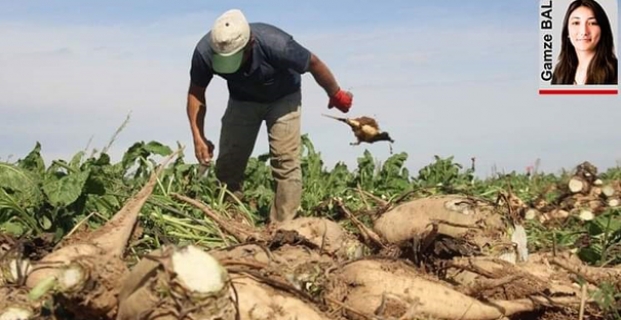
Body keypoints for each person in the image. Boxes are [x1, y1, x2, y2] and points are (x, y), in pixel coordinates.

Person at [185, 9, 353, 224]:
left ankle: (284, 226)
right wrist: (198, 136)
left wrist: (335, 93)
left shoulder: (277, 44)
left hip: (284, 98)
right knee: (229, 162)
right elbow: (196, 93)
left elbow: (314, 63)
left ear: (250, 44)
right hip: (242, 100)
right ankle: (231, 217)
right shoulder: (205, 51)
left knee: (285, 160)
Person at [551, 0, 618, 85]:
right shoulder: (559, 72)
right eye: (576, 23)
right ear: (567, 31)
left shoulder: (616, 72)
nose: (584, 32)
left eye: (592, 23)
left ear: (603, 30)